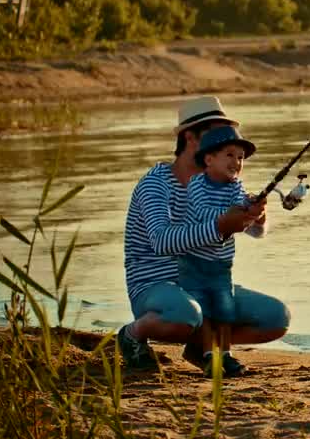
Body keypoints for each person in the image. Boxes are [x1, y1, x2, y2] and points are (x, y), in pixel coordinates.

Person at [118, 96, 291, 372]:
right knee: (185, 315)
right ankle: (133, 335)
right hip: (156, 286)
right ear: (190, 139)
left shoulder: (218, 183)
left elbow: (255, 232)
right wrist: (220, 226)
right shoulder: (156, 183)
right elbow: (162, 241)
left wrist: (256, 216)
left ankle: (202, 348)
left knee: (275, 318)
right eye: (215, 136)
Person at [179, 124, 265, 377]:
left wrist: (255, 212)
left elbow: (246, 223)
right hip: (195, 262)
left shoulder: (236, 186)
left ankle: (226, 356)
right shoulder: (197, 185)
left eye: (240, 158)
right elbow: (203, 214)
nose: (236, 162)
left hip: (222, 265)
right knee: (206, 311)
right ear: (208, 159)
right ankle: (207, 357)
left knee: (224, 309)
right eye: (229, 155)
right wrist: (230, 216)